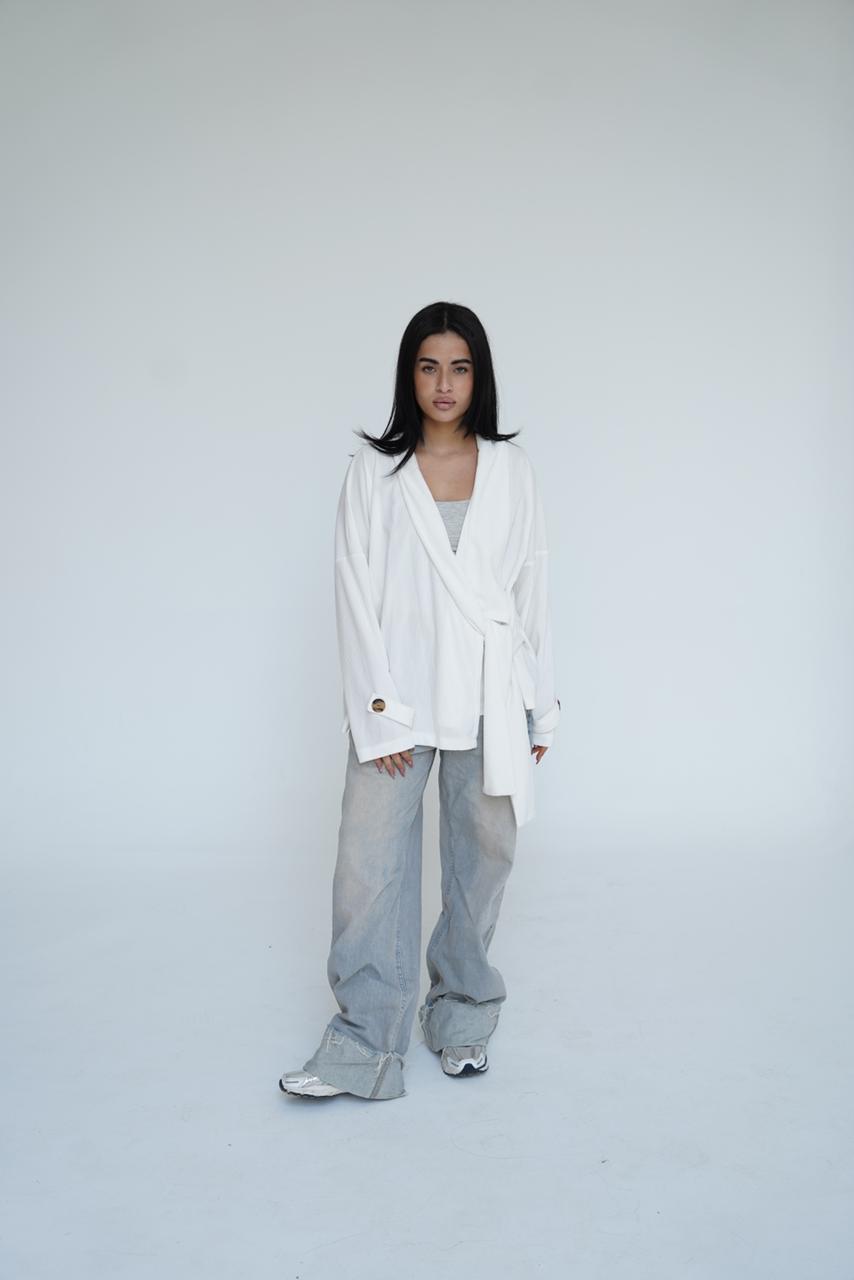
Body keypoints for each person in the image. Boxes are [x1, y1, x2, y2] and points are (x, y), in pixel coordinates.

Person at [279, 301, 560, 1101]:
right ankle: (364, 1044)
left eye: (459, 367)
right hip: (399, 699)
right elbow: (353, 589)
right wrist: (378, 712)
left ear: (479, 377)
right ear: (409, 375)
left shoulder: (512, 469)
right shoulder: (374, 472)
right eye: (429, 366)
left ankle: (462, 1014)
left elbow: (532, 587)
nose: (444, 383)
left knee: (481, 865)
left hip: (491, 698)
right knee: (367, 871)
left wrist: (540, 705)